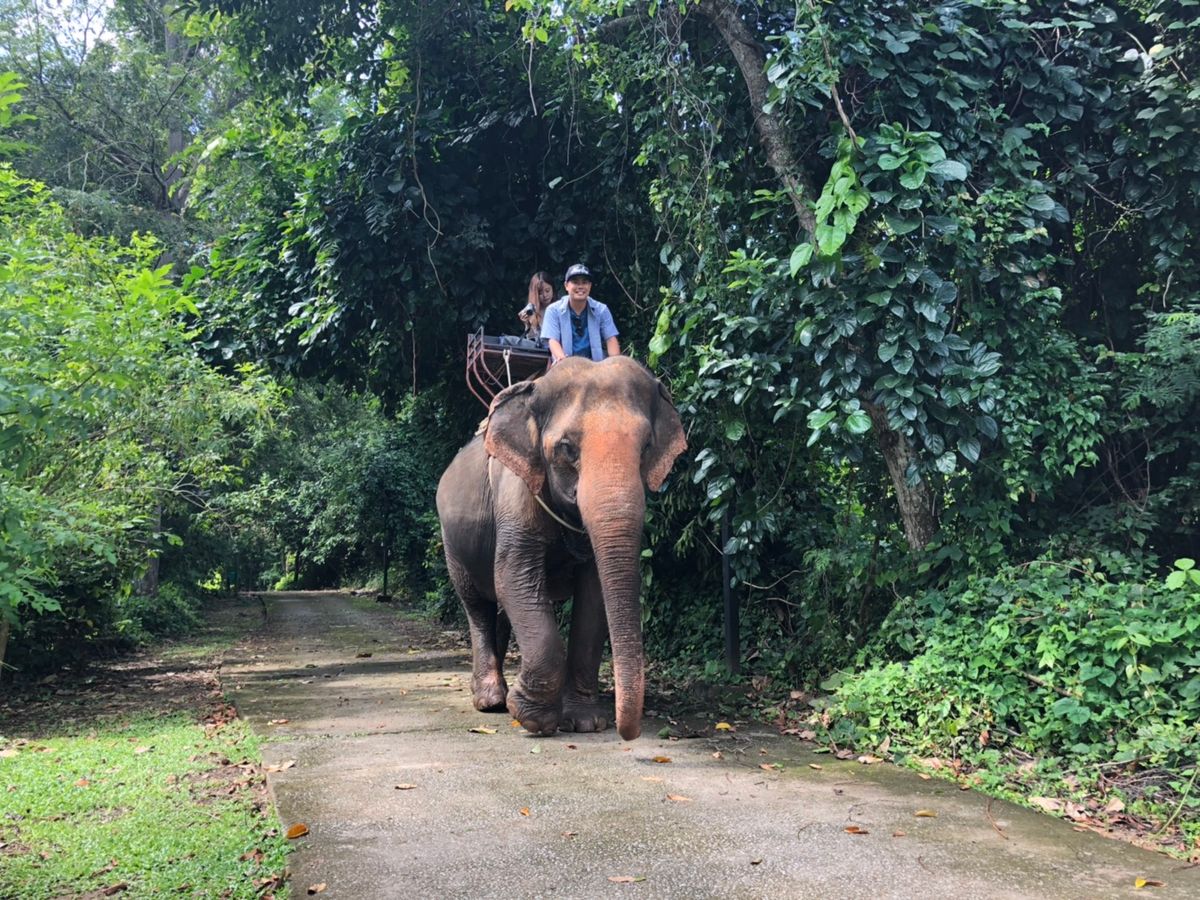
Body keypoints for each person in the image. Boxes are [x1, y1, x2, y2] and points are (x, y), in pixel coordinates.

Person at [540, 263, 620, 363]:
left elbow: (611, 339)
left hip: (595, 366)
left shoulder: (601, 310)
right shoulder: (553, 310)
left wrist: (615, 364)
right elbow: (553, 340)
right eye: (575, 282)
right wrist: (563, 361)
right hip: (565, 365)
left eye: (584, 282)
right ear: (566, 286)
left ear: (590, 286)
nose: (580, 286)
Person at [517, 271, 554, 341]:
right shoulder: (532, 309)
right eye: (540, 293)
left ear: (553, 289)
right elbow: (532, 341)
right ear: (534, 294)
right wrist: (529, 324)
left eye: (547, 290)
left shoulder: (560, 308)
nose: (545, 295)